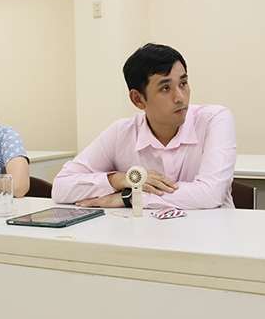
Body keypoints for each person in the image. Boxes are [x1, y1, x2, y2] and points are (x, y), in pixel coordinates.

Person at [52, 43, 237, 209]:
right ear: (138, 99)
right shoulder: (121, 133)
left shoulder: (215, 119)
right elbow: (60, 188)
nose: (180, 97)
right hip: (146, 239)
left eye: (183, 83)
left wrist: (129, 198)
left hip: (210, 238)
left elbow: (210, 194)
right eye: (166, 88)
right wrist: (120, 179)